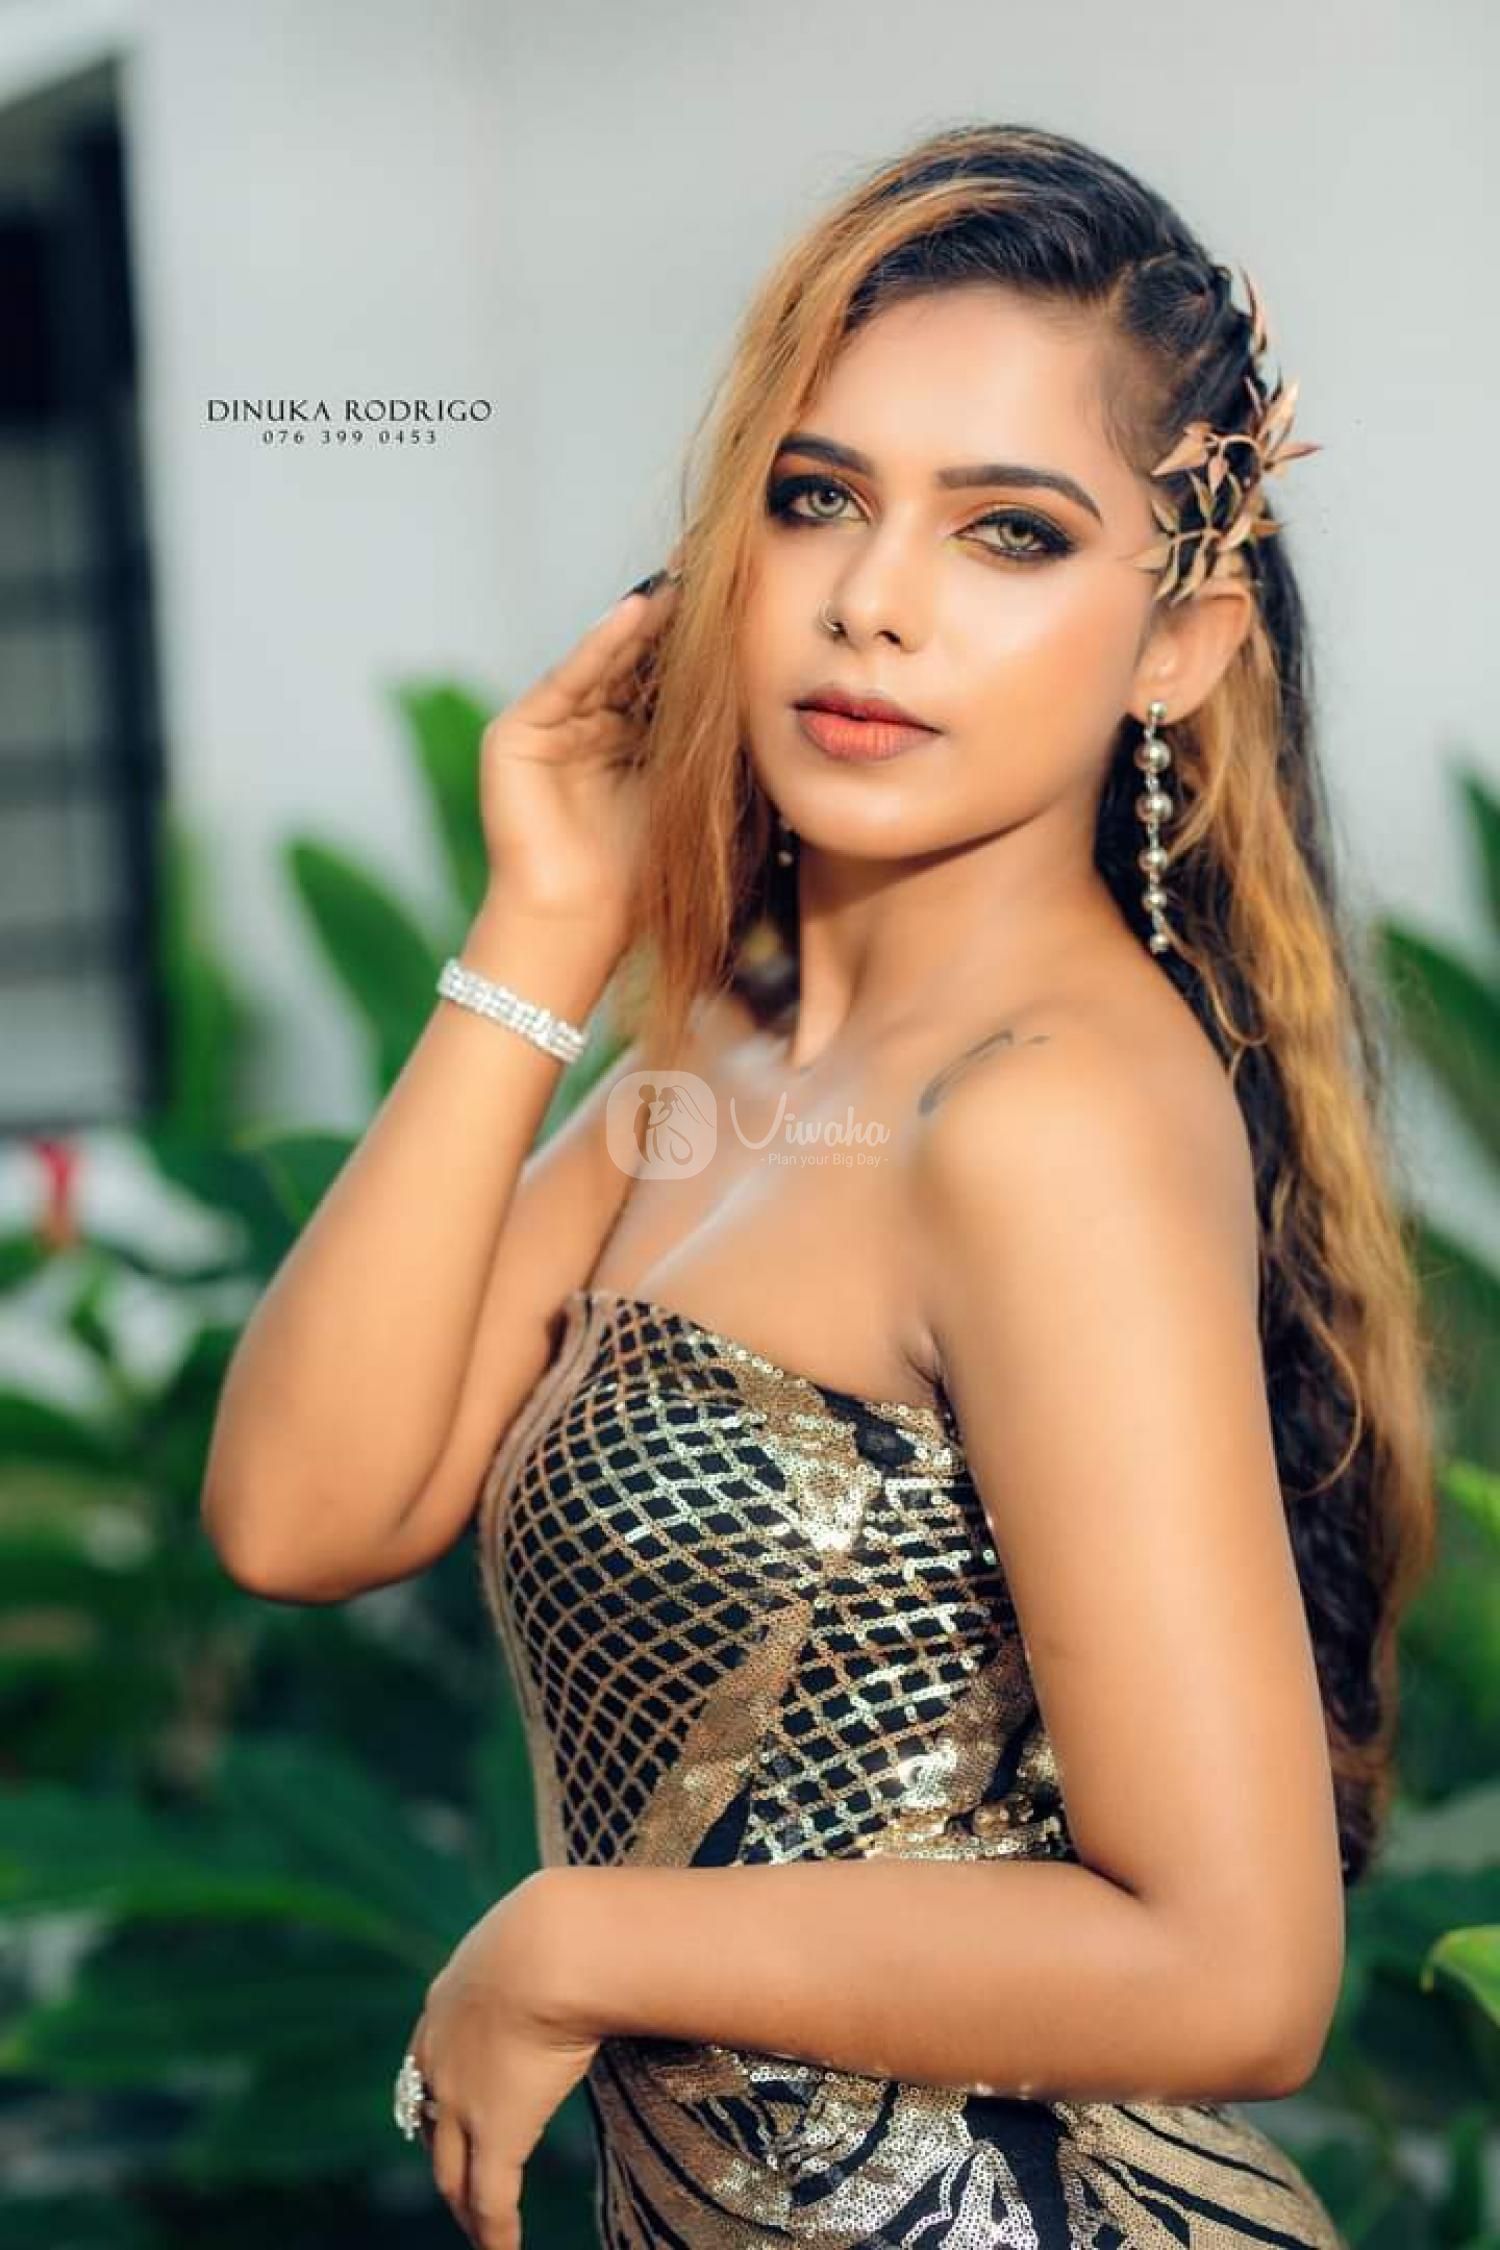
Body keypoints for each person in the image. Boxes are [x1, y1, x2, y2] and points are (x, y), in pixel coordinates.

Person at [202, 120, 1437, 2248]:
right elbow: (301, 1510)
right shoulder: (728, 1059)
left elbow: (1240, 1972)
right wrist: (541, 933)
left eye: (1012, 532)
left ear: (1179, 643)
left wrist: (581, 1939)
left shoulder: (1043, 1115)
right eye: (818, 496)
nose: (874, 599)